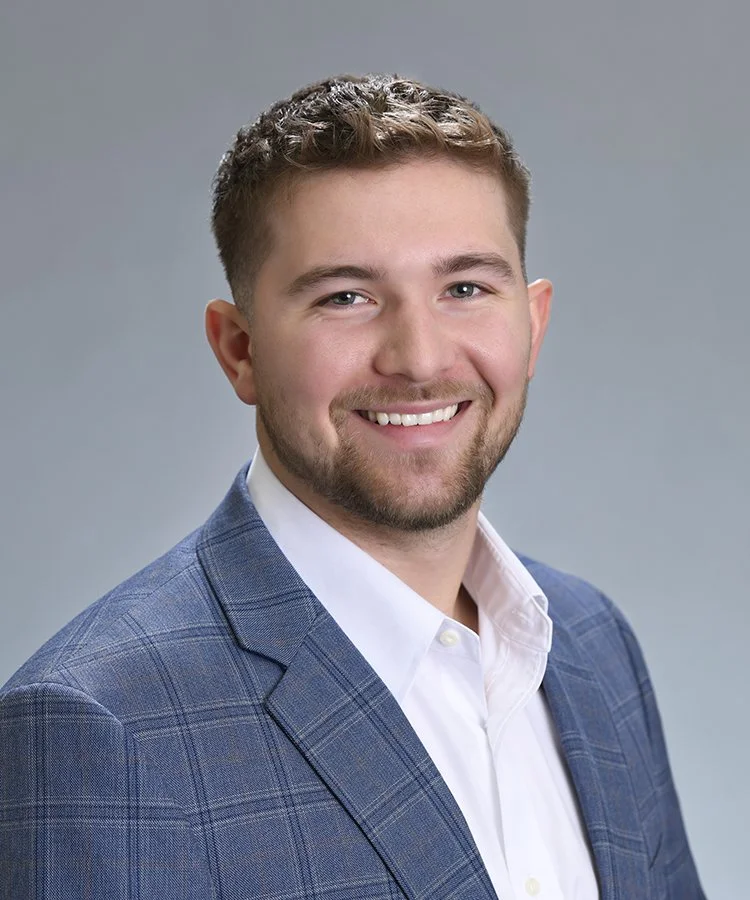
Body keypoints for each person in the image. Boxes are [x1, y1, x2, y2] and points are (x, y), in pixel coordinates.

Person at [0, 74, 704, 899]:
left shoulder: (592, 647)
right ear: (239, 350)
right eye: (347, 297)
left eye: (466, 289)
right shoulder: (98, 729)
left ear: (533, 321)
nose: (420, 357)